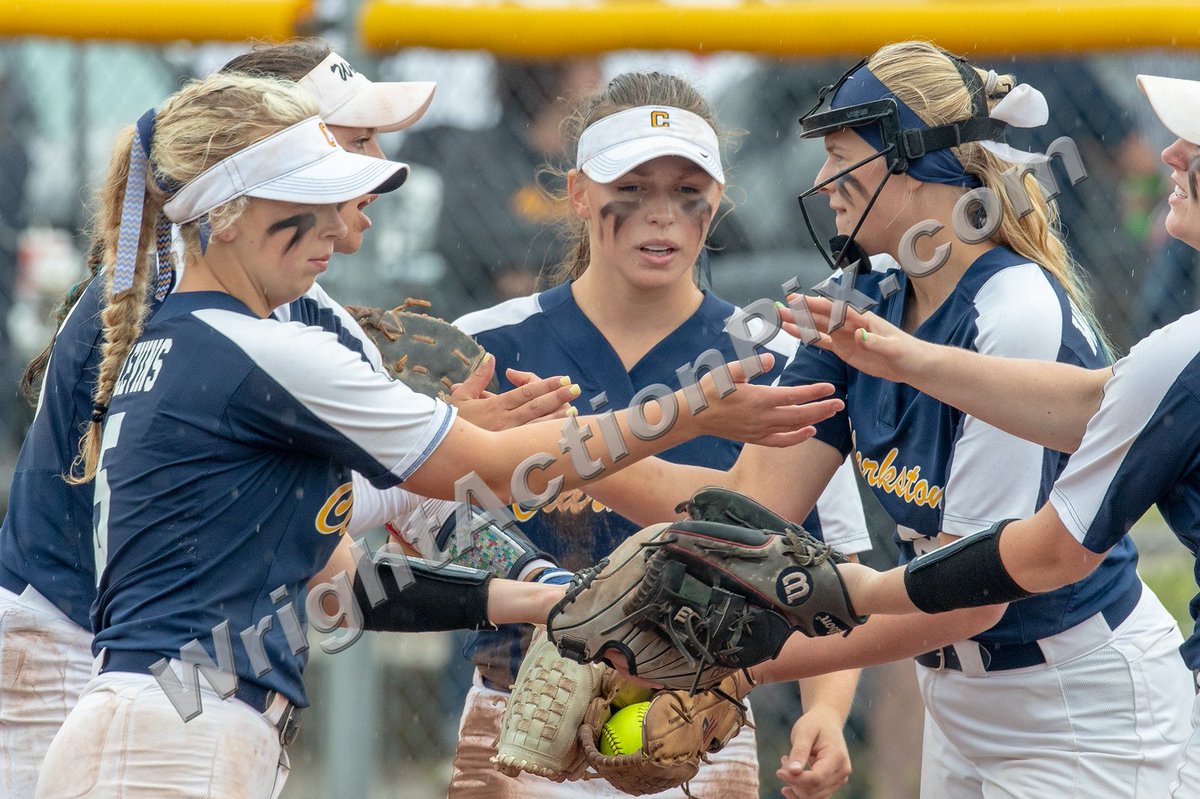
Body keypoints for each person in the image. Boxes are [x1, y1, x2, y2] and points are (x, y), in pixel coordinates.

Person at [31, 70, 836, 798]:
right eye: (313, 190)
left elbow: (344, 572)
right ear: (229, 211)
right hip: (167, 725)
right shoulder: (266, 346)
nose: (343, 219)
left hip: (172, 714)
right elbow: (477, 466)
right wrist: (687, 413)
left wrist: (550, 595)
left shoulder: (189, 324)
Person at [585, 41, 1193, 799]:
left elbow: (973, 595)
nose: (820, 180)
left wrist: (724, 666)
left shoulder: (1014, 310)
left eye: (840, 153)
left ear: (916, 161)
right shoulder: (866, 293)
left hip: (1078, 699)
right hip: (959, 702)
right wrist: (577, 459)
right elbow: (754, 505)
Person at [0, 42, 574, 799]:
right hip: (73, 648)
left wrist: (542, 581)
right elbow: (340, 527)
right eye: (356, 140)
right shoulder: (177, 291)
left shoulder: (285, 306)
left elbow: (379, 505)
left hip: (164, 677)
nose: (375, 172)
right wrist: (460, 457)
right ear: (274, 149)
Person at [442, 71, 871, 799]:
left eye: (686, 191)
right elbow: (433, 525)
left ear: (718, 200)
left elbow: (831, 565)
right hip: (518, 716)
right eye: (632, 190)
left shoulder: (775, 355)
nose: (661, 216)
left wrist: (826, 711)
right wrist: (550, 594)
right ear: (578, 194)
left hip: (697, 726)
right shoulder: (487, 344)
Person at [798, 72, 1200, 799]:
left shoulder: (1180, 357)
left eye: (1195, 144)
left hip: (1078, 702)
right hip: (965, 700)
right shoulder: (1176, 357)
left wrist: (849, 595)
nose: (1170, 154)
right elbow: (1095, 403)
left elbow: (1046, 553)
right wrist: (903, 356)